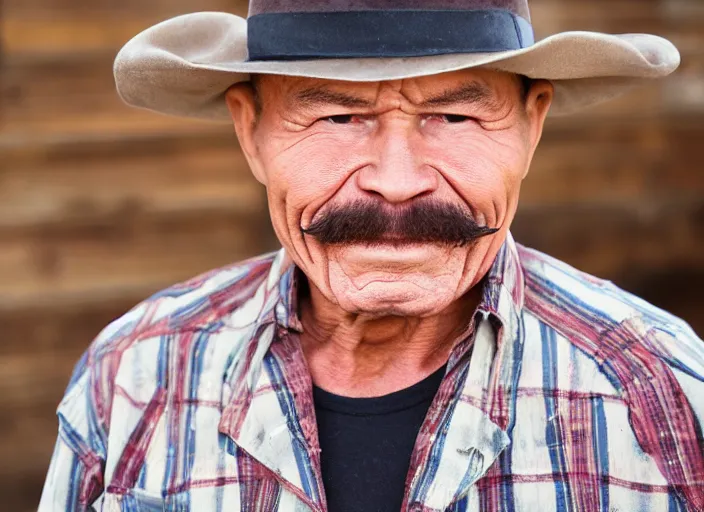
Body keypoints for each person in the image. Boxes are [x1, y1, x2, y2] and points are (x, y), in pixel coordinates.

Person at [40, 1, 704, 511]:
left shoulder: (662, 393)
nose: (395, 179)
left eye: (454, 117)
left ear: (531, 127)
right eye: (337, 117)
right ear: (252, 132)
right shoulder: (133, 375)